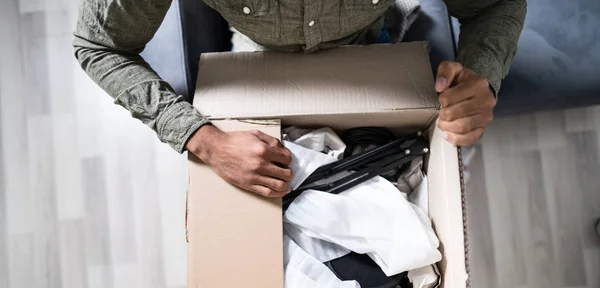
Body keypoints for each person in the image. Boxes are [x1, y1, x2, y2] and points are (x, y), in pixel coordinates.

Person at [73, 0, 526, 198]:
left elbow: (496, 3)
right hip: (255, 61)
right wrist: (203, 139)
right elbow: (98, 45)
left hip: (371, 44)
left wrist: (481, 78)